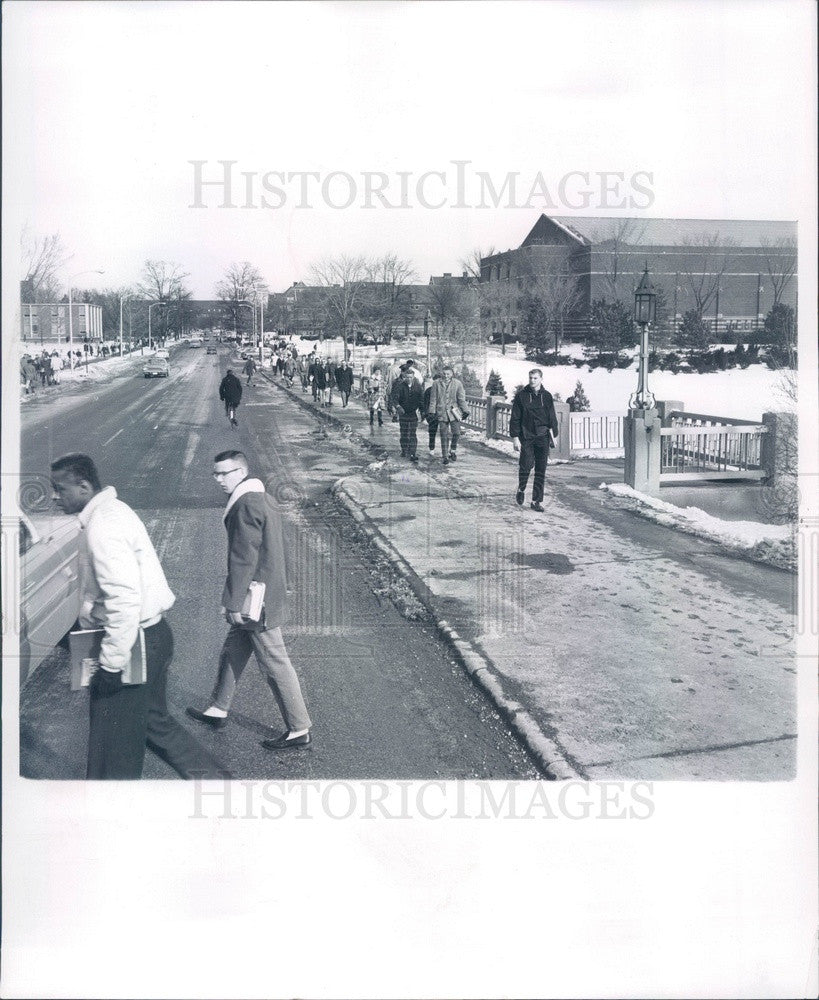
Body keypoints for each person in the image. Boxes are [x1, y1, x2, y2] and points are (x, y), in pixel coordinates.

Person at [50, 454, 230, 780]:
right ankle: (220, 785)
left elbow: (123, 599)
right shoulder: (114, 511)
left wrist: (111, 665)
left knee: (111, 756)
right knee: (153, 723)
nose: (53, 496)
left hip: (132, 642)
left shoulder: (102, 526)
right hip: (153, 635)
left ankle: (108, 822)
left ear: (84, 486)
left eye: (59, 489)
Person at [186, 451, 312, 751]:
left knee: (275, 662)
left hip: (256, 600)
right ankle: (218, 708)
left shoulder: (245, 504)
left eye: (224, 473)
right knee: (234, 648)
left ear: (241, 472)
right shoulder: (262, 497)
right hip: (266, 591)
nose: (218, 480)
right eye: (215, 474)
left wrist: (232, 601)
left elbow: (243, 559)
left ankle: (299, 728)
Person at [509, 368, 559, 513]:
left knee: (541, 469)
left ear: (541, 379)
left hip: (543, 436)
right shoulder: (521, 396)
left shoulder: (547, 396)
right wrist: (515, 438)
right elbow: (515, 418)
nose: (532, 380)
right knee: (525, 465)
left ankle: (536, 501)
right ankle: (521, 488)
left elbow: (552, 417)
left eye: (535, 378)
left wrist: (554, 435)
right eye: (530, 378)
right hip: (527, 436)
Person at [426, 365, 467, 465]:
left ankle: (452, 450)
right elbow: (433, 399)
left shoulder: (457, 384)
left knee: (456, 433)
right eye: (444, 374)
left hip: (454, 412)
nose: (446, 376)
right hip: (442, 412)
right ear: (442, 374)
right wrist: (432, 411)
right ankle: (445, 456)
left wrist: (465, 410)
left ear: (452, 374)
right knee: (444, 435)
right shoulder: (436, 383)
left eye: (448, 374)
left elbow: (461, 399)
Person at [391, 364, 424, 462]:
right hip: (403, 413)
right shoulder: (400, 386)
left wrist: (422, 412)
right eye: (407, 377)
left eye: (411, 377)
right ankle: (404, 450)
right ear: (405, 377)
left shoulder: (418, 387)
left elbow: (421, 400)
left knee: (413, 433)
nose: (409, 379)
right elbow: (395, 399)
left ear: (413, 377)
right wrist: (398, 407)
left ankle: (413, 452)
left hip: (413, 413)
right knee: (404, 432)